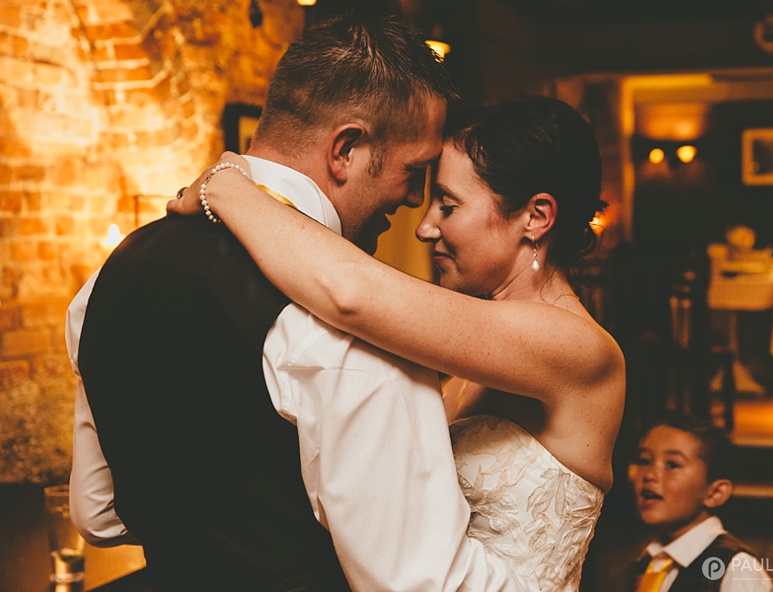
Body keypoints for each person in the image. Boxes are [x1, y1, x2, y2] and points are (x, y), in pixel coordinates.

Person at [67, 13, 529, 592]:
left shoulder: (106, 282)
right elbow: (427, 584)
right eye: (414, 171)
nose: (415, 199)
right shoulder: (352, 331)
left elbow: (98, 515)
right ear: (347, 150)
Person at [170, 95, 627, 591]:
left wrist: (228, 187)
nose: (426, 226)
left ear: (536, 217)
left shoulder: (579, 349)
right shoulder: (483, 335)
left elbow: (350, 293)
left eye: (448, 206)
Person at [627, 414, 773, 592]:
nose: (649, 475)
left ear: (715, 493)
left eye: (672, 464)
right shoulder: (649, 559)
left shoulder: (735, 568)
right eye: (644, 461)